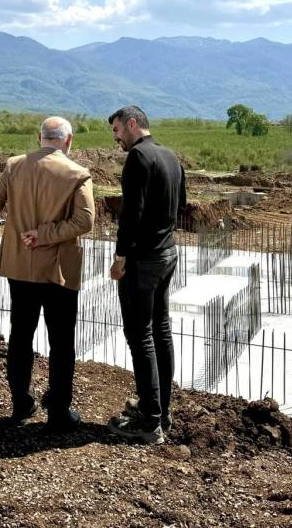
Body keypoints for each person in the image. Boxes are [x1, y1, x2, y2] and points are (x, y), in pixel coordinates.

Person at [0, 117, 94, 433]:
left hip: (20, 267)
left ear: (39, 137)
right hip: (58, 272)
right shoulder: (77, 175)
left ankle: (20, 402)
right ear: (68, 141)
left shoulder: (14, 166)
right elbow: (85, 222)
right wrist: (46, 234)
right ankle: (58, 411)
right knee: (61, 340)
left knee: (21, 334)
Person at [105, 104, 185, 444]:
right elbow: (181, 204)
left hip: (144, 260)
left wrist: (121, 257)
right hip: (168, 253)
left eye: (118, 131)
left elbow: (131, 214)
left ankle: (150, 422)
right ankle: (160, 409)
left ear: (133, 124)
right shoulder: (170, 156)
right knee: (161, 329)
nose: (117, 140)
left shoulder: (138, 158)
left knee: (141, 336)